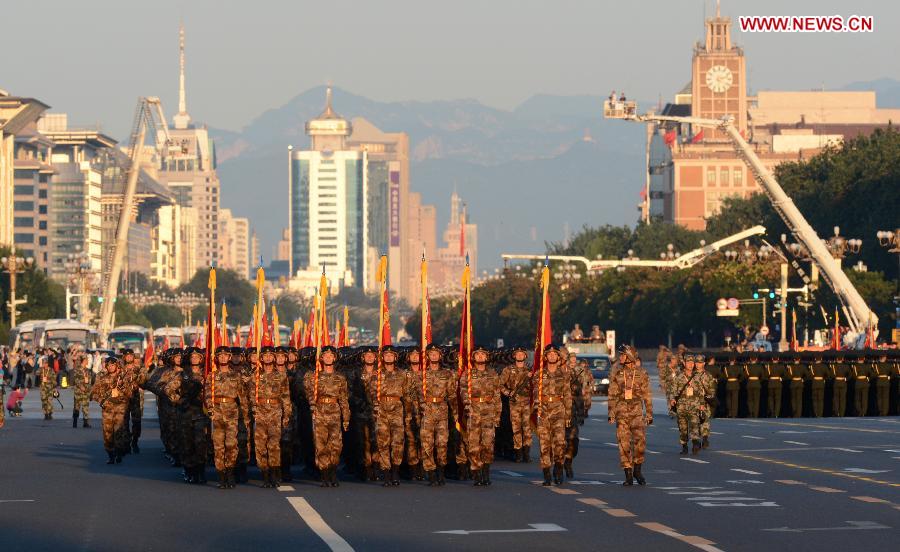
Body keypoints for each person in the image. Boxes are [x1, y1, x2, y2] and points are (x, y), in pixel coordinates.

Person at [304, 345, 350, 487]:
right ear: (321, 358)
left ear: (334, 358)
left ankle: (333, 471)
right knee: (321, 444)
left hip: (335, 412)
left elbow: (344, 398)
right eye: (326, 356)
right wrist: (313, 407)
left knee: (336, 445)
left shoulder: (340, 377)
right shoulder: (314, 376)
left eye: (331, 356)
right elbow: (309, 393)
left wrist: (346, 417)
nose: (328, 358)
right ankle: (324, 474)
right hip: (320, 411)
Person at [608, 346, 652, 485]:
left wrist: (649, 413)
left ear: (630, 357)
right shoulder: (617, 374)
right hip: (622, 413)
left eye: (623, 355)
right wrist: (611, 412)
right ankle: (627, 473)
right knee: (623, 443)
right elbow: (612, 395)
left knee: (640, 443)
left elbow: (647, 396)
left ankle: (637, 470)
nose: (620, 357)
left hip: (637, 413)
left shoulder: (642, 374)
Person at [417, 344, 458, 486]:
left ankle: (441, 472)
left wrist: (455, 413)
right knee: (427, 444)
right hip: (426, 411)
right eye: (431, 354)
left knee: (442, 444)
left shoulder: (447, 374)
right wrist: (420, 409)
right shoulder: (421, 375)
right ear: (427, 356)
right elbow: (414, 395)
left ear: (440, 356)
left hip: (442, 411)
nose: (433, 356)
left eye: (436, 354)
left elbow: (452, 395)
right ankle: (431, 473)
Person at [253, 346, 291, 488]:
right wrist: (253, 410)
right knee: (261, 446)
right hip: (260, 413)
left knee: (274, 445)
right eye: (265, 356)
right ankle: (265, 474)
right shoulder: (255, 376)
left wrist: (287, 414)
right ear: (261, 358)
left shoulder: (281, 376)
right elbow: (250, 395)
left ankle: (275, 473)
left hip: (275, 412)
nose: (268, 358)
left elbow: (286, 397)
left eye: (271, 355)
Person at [462, 346, 501, 486]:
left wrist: (497, 415)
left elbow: (497, 395)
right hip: (473, 410)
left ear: (486, 357)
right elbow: (463, 390)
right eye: (477, 355)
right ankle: (476, 472)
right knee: (473, 444)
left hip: (489, 411)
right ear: (473, 357)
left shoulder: (493, 374)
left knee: (488, 444)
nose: (480, 357)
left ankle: (486, 472)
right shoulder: (468, 374)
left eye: (482, 355)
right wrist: (467, 406)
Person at [534, 345, 571, 486]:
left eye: (554, 354)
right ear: (545, 357)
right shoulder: (539, 374)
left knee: (559, 443)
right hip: (543, 411)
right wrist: (537, 407)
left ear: (558, 357)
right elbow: (536, 392)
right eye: (549, 354)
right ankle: (547, 474)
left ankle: (558, 470)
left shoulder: (564, 374)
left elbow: (567, 395)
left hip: (559, 410)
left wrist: (568, 414)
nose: (552, 357)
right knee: (544, 444)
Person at [206, 347, 242, 489]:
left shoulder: (236, 375)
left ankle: (230, 472)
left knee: (232, 444)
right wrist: (210, 409)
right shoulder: (212, 376)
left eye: (225, 356)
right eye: (220, 356)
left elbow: (241, 396)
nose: (222, 358)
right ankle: (221, 475)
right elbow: (208, 394)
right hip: (217, 412)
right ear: (217, 358)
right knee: (219, 446)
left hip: (232, 412)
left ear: (229, 358)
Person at [374, 346, 409, 486]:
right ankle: (386, 473)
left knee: (398, 442)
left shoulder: (402, 374)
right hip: (382, 409)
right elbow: (371, 393)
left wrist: (409, 414)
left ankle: (395, 471)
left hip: (397, 409)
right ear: (383, 358)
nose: (388, 357)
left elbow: (407, 395)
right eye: (386, 355)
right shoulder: (377, 374)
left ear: (395, 357)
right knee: (383, 442)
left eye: (391, 355)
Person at [90, 356, 133, 464]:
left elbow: (130, 394)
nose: (110, 367)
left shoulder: (123, 378)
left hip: (120, 409)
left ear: (117, 366)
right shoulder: (102, 379)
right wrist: (101, 401)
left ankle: (119, 453)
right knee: (107, 433)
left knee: (119, 432)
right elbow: (93, 393)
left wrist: (122, 386)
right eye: (108, 365)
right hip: (107, 410)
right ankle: (110, 454)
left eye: (112, 365)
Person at [499, 346, 533, 463]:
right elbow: (500, 385)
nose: (519, 356)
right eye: (517, 354)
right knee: (516, 428)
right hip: (514, 403)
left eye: (521, 354)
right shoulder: (508, 370)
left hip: (527, 402)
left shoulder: (529, 371)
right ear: (514, 356)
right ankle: (518, 452)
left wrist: (531, 378)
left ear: (525, 356)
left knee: (527, 428)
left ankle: (526, 453)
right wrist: (508, 392)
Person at [668, 353, 705, 455]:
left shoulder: (697, 377)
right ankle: (684, 446)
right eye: (688, 362)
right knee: (683, 428)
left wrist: (702, 405)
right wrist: (672, 399)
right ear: (684, 363)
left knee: (695, 425)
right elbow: (673, 390)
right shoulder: (679, 377)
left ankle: (695, 443)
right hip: (681, 407)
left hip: (694, 406)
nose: (690, 364)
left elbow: (701, 392)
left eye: (692, 362)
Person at [72, 352, 92, 428]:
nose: (88, 361)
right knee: (76, 407)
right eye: (87, 360)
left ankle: (85, 422)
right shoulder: (77, 369)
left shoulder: (87, 370)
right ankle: (75, 421)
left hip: (86, 392)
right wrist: (80, 386)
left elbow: (89, 381)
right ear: (84, 360)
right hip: (78, 392)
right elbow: (75, 379)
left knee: (86, 407)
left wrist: (88, 389)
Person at [850, 352, 872, 416]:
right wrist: (868, 378)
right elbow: (872, 374)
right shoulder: (867, 366)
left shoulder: (855, 366)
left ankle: (859, 411)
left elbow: (853, 375)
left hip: (858, 382)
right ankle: (864, 412)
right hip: (865, 382)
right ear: (864, 359)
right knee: (864, 398)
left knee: (857, 399)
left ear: (858, 359)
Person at [785, 353, 806, 418]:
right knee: (799, 400)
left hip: (793, 383)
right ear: (799, 359)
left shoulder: (791, 367)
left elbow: (788, 376)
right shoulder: (803, 366)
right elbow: (807, 375)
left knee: (793, 399)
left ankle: (794, 413)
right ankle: (798, 414)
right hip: (800, 383)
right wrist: (803, 379)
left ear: (794, 359)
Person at [764, 353, 785, 418]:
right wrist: (781, 378)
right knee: (778, 400)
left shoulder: (769, 366)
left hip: (771, 383)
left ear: (772, 359)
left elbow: (766, 375)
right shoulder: (781, 366)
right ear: (778, 359)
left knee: (771, 399)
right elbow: (785, 374)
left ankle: (772, 412)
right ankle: (776, 414)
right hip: (778, 383)